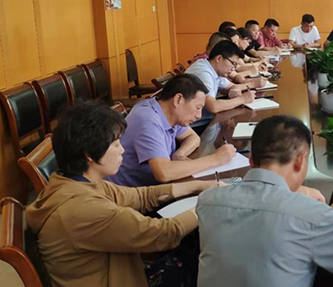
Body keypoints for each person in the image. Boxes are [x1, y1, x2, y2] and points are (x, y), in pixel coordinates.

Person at [26, 102, 223, 287]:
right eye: (115, 144)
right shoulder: (84, 209)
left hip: (117, 268)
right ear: (89, 154)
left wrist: (197, 186)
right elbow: (164, 234)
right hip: (116, 279)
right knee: (205, 259)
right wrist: (206, 203)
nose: (122, 150)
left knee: (195, 246)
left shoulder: (74, 183)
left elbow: (141, 197)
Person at [197, 115, 333, 287]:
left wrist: (291, 192)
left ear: (251, 160)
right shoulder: (312, 215)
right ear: (300, 160)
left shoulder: (208, 201)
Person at [107, 74, 236, 187]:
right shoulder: (148, 120)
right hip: (130, 197)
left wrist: (179, 154)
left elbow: (192, 137)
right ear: (178, 99)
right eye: (197, 108)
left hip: (152, 189)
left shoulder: (167, 111)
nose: (199, 115)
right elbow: (164, 173)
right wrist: (215, 159)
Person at [185, 41, 261, 126]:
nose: (233, 69)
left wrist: (235, 91)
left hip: (207, 121)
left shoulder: (215, 70)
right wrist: (242, 99)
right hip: (196, 126)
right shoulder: (203, 72)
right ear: (219, 58)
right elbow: (213, 107)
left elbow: (233, 86)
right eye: (233, 63)